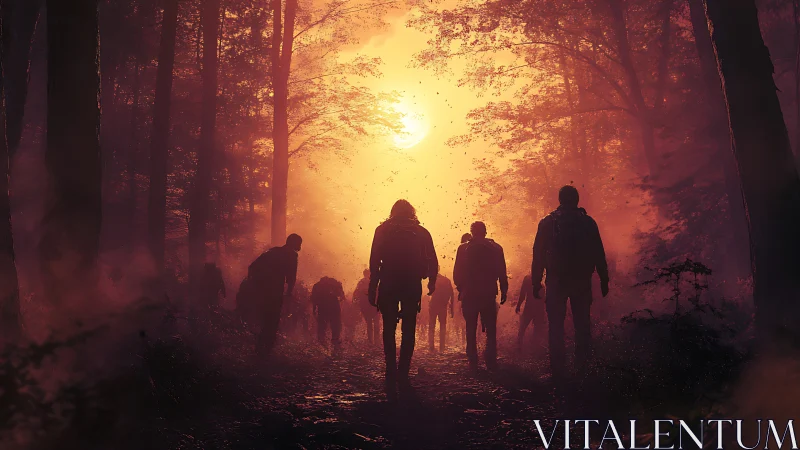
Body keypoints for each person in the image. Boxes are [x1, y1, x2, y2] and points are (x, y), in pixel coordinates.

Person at [532, 185, 609, 377]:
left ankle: (558, 369)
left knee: (555, 325)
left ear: (559, 199)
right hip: (581, 280)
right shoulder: (588, 222)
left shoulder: (547, 222)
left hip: (556, 279)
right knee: (582, 323)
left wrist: (536, 281)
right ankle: (583, 368)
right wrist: (604, 278)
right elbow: (598, 251)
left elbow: (538, 254)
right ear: (577, 200)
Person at [368, 199, 438, 396]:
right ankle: (403, 372)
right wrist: (431, 282)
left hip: (388, 282)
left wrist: (373, 287)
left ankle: (390, 369)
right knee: (409, 327)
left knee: (388, 327)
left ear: (393, 212)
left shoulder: (382, 230)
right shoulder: (421, 231)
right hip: (411, 283)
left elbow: (374, 260)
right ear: (412, 212)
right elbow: (433, 259)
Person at [453, 222, 508, 371]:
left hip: (469, 294)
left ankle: (473, 359)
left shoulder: (463, 248)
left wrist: (461, 288)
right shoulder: (496, 248)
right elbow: (502, 271)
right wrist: (504, 289)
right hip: (489, 293)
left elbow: (456, 274)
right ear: (485, 231)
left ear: (471, 232)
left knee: (470, 327)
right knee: (490, 328)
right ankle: (490, 359)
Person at [248, 233, 302, 356]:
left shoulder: (273, 251)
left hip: (262, 291)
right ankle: (266, 351)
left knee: (263, 319)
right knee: (272, 321)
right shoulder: (292, 255)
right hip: (275, 292)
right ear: (294, 243)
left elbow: (252, 267)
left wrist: (253, 285)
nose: (300, 246)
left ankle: (258, 348)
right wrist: (288, 293)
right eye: (299, 243)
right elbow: (291, 277)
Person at [311, 276, 345, 356]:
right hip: (334, 307)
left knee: (322, 327)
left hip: (322, 307)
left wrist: (314, 309)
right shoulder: (334, 284)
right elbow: (341, 296)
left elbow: (314, 299)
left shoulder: (317, 285)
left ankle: (323, 346)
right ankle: (335, 345)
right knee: (335, 326)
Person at [515, 273, 546, 352]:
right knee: (536, 328)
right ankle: (534, 347)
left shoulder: (528, 278)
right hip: (539, 308)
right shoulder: (544, 278)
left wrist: (519, 305)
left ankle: (519, 346)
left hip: (530, 307)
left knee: (523, 327)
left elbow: (523, 293)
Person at [428, 273, 454, 352]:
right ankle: (442, 347)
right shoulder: (447, 281)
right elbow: (452, 294)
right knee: (443, 326)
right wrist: (451, 307)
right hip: (443, 306)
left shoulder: (434, 280)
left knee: (431, 326)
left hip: (434, 305)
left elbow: (430, 292)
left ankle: (431, 347)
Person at [354, 269, 380, 345]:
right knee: (376, 323)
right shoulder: (374, 281)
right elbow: (379, 292)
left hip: (365, 305)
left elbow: (356, 293)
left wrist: (356, 303)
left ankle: (370, 341)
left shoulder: (361, 282)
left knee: (369, 323)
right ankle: (377, 341)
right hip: (374, 305)